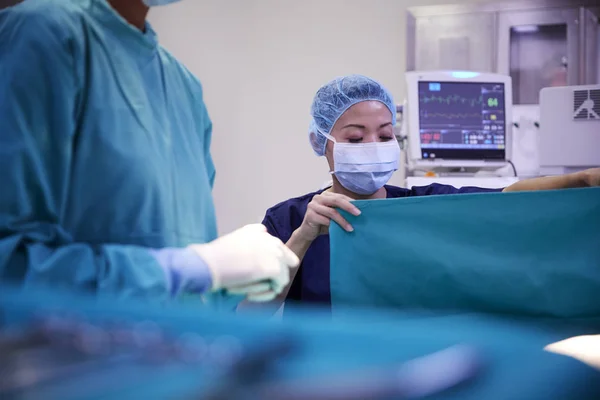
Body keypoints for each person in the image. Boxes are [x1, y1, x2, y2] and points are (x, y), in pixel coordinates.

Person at [0, 0, 299, 302]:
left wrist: (225, 279)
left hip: (170, 345)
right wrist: (187, 270)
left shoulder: (184, 87)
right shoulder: (43, 35)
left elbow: (187, 279)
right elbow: (10, 267)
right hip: (61, 346)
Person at [240, 74, 600, 313]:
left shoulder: (422, 207)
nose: (373, 145)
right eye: (354, 138)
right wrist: (303, 238)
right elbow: (251, 314)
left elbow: (506, 199)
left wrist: (580, 180)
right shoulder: (289, 219)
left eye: (384, 135)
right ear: (323, 143)